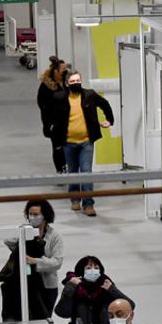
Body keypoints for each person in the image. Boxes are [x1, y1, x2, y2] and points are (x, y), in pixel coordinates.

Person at [46, 71, 114, 217]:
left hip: (86, 142)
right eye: (72, 81)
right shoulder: (59, 98)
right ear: (66, 84)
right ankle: (75, 198)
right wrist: (54, 137)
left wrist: (109, 120)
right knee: (72, 172)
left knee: (86, 172)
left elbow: (105, 104)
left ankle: (88, 204)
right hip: (68, 142)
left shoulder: (89, 95)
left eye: (78, 80)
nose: (76, 83)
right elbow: (51, 117)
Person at [1, 199, 64, 321]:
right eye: (30, 214)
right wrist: (23, 232)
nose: (32, 217)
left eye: (36, 214)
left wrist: (36, 261)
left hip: (46, 286)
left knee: (42, 320)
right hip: (25, 282)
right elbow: (7, 240)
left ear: (45, 215)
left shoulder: (55, 236)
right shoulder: (25, 230)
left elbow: (57, 262)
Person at [37, 57, 69, 174]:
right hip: (54, 122)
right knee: (58, 147)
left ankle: (67, 166)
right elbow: (42, 105)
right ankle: (60, 169)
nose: (66, 71)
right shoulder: (46, 86)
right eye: (63, 69)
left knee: (67, 145)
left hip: (67, 120)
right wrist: (49, 124)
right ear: (55, 71)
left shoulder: (66, 83)